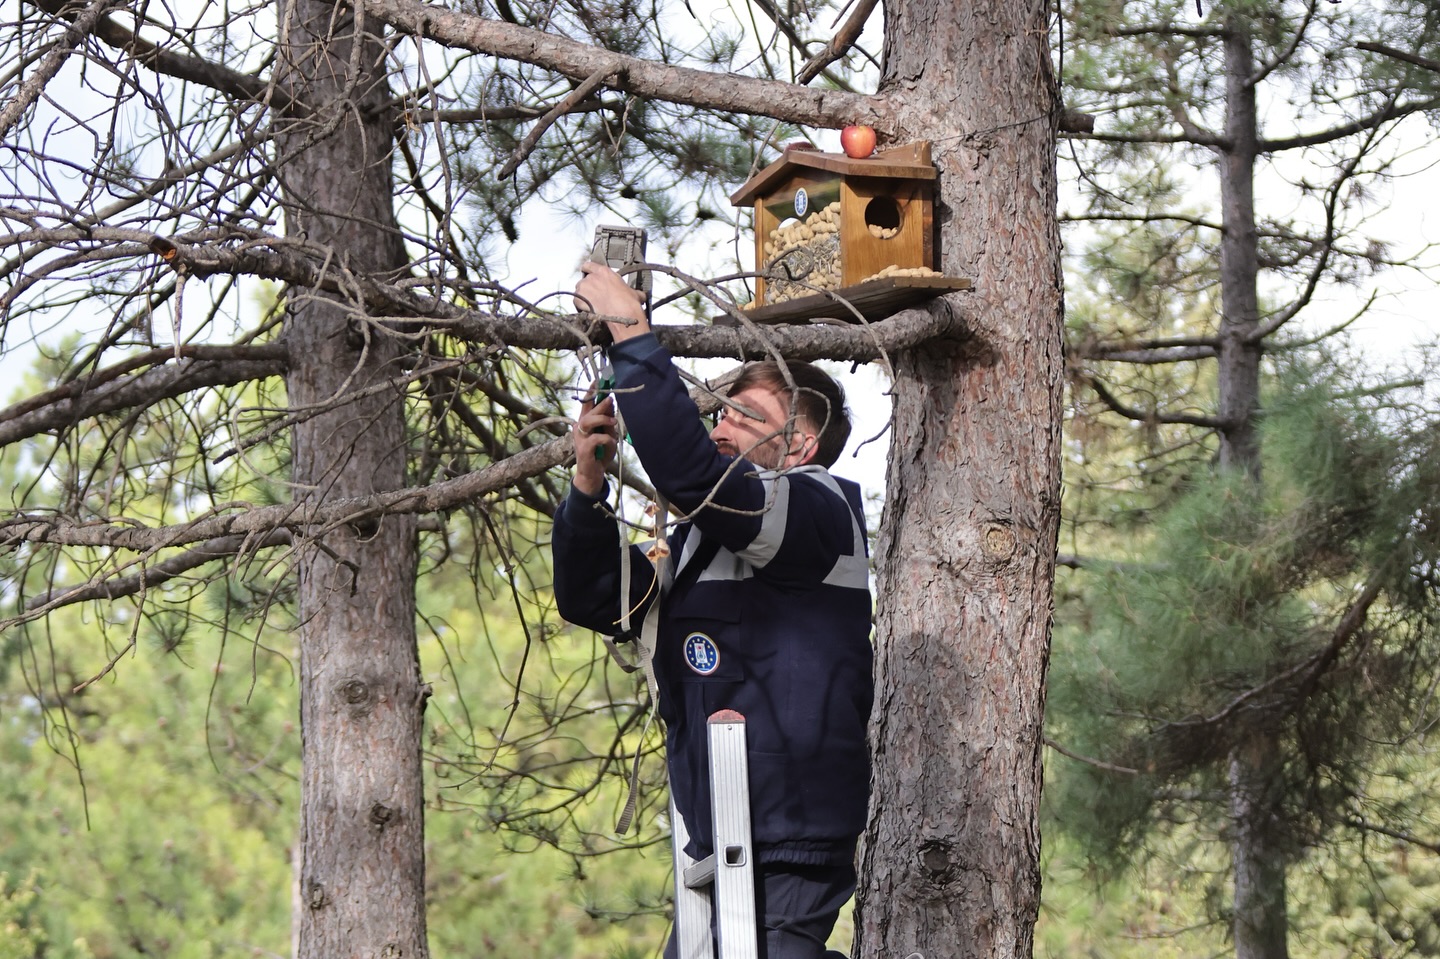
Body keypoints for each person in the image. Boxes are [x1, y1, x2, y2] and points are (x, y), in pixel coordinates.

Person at [550, 262, 874, 959]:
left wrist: (630, 330)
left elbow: (694, 473)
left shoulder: (817, 508)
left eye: (747, 417)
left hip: (788, 836)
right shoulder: (703, 539)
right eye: (721, 412)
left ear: (800, 445)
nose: (722, 427)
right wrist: (588, 482)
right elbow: (595, 596)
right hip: (716, 839)